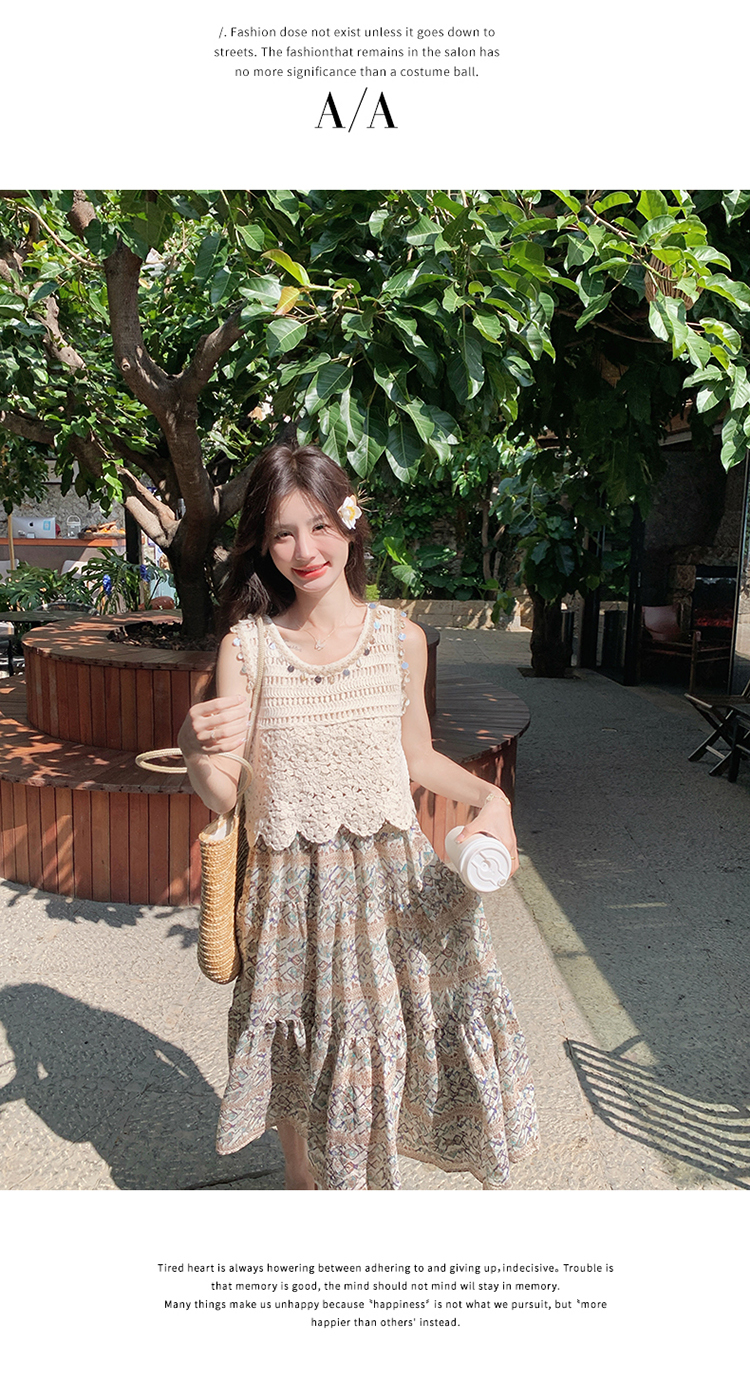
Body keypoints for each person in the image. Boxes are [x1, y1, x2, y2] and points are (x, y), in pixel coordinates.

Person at [178, 443, 538, 1190]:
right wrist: (191, 743)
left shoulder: (400, 640)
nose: (305, 551)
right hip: (290, 892)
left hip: (389, 884)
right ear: (263, 545)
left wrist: (492, 798)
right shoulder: (248, 648)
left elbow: (419, 758)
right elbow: (224, 792)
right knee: (294, 1044)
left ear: (350, 521)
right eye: (282, 534)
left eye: (319, 526)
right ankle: (301, 1183)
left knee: (382, 1040)